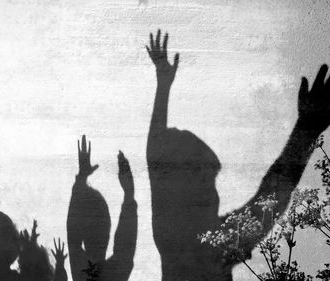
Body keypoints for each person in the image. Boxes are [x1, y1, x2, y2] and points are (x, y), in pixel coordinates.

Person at [146, 29, 330, 281]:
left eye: (209, 178)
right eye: (202, 176)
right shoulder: (200, 242)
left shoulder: (180, 237)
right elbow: (274, 194)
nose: (210, 189)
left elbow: (273, 195)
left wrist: (163, 86)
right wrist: (306, 130)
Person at [67, 136, 137, 281]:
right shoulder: (115, 273)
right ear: (107, 229)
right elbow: (125, 246)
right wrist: (129, 194)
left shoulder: (81, 273)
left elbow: (73, 238)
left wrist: (81, 178)